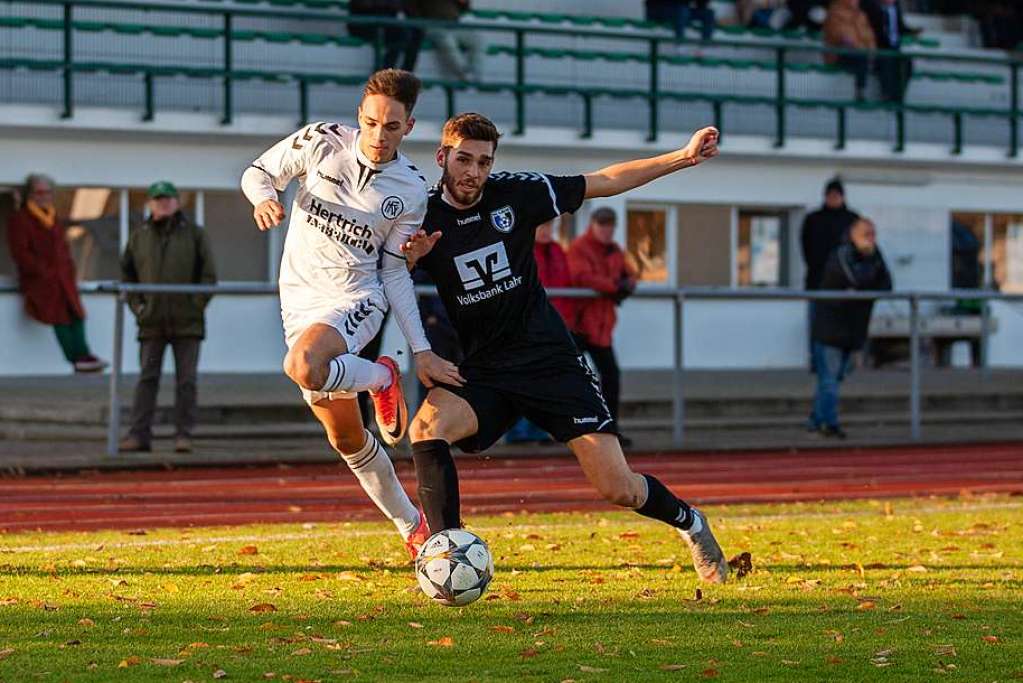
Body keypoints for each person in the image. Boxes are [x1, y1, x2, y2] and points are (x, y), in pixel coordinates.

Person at [403, 112, 730, 584]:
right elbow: (383, 274)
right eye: (464, 160)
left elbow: (604, 181)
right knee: (426, 429)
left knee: (618, 488)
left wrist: (681, 157)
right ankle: (446, 555)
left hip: (551, 363)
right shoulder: (420, 214)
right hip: (488, 369)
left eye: (484, 162)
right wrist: (408, 262)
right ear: (442, 157)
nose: (473, 171)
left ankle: (691, 522)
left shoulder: (517, 193)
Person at [239, 69, 462, 559]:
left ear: (409, 127)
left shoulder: (410, 189)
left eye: (392, 127)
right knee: (345, 438)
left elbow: (395, 272)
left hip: (356, 298)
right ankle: (412, 526)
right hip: (298, 302)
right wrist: (264, 198)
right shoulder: (320, 142)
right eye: (371, 122)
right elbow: (258, 172)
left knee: (303, 364)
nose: (379, 136)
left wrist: (419, 348)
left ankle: (382, 379)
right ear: (359, 114)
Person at [119, 181, 217, 454]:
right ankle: (139, 435)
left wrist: (195, 305)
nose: (163, 203)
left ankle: (183, 435)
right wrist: (139, 307)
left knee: (186, 381)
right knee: (146, 379)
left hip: (188, 322)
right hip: (151, 322)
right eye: (158, 199)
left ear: (177, 202)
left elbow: (209, 275)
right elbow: (127, 273)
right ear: (150, 203)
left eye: (168, 199)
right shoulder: (140, 236)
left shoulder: (195, 235)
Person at [6, 173, 107, 374]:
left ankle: (84, 354)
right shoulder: (21, 220)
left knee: (77, 314)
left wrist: (69, 270)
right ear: (30, 195)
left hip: (63, 279)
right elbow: (21, 254)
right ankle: (76, 358)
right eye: (39, 192)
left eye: (47, 192)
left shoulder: (54, 218)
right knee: (58, 317)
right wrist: (43, 272)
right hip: (42, 281)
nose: (43, 196)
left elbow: (64, 249)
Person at [809, 218, 892, 438]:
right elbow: (854, 278)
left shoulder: (875, 255)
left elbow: (887, 284)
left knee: (835, 378)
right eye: (866, 233)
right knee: (829, 379)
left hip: (854, 329)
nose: (871, 238)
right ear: (854, 234)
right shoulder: (841, 254)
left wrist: (866, 283)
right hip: (831, 327)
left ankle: (817, 420)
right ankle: (829, 424)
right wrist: (866, 283)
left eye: (873, 233)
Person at [566, 207, 637, 444]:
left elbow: (631, 273)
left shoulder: (615, 250)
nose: (607, 229)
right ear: (593, 225)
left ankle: (610, 429)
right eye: (602, 224)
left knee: (611, 377)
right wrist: (616, 287)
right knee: (569, 377)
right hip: (579, 325)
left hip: (602, 327)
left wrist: (626, 285)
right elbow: (582, 276)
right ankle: (571, 430)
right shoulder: (579, 247)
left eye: (610, 225)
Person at [800, 177, 859, 292]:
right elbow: (805, 245)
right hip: (817, 279)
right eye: (830, 195)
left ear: (842, 197)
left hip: (846, 281)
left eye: (836, 195)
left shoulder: (853, 220)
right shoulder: (813, 219)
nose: (833, 198)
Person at [408, 0, 481, 82]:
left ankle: (475, 72)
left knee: (477, 39)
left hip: (454, 24)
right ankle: (464, 73)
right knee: (447, 40)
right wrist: (422, 25)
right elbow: (411, 9)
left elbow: (465, 8)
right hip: (433, 25)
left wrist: (464, 3)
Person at [862, 0, 918, 102]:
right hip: (880, 48)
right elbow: (871, 30)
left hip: (895, 48)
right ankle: (887, 95)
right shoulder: (871, 6)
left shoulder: (896, 7)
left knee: (907, 63)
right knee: (886, 61)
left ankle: (899, 95)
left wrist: (913, 31)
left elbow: (900, 27)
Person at [823, 0, 876, 101]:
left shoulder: (861, 15)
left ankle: (892, 96)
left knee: (893, 60)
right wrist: (859, 47)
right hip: (839, 54)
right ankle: (860, 90)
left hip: (860, 53)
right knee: (860, 56)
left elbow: (870, 37)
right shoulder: (834, 13)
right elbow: (838, 35)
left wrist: (872, 49)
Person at [347, 0, 422, 72]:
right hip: (363, 22)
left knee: (416, 32)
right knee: (398, 35)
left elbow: (404, 7)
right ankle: (384, 75)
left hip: (387, 23)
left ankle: (406, 75)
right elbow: (364, 4)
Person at [645, 0, 716, 42]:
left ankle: (706, 45)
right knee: (682, 11)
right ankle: (680, 44)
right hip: (658, 9)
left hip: (682, 11)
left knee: (709, 13)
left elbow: (700, 5)